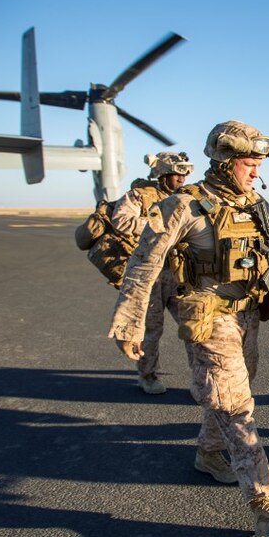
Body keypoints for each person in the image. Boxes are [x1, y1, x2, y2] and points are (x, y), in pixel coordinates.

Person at [109, 120, 269, 537]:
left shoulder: (255, 204)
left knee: (225, 394)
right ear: (224, 162)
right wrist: (129, 322)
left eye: (258, 163)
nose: (255, 170)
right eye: (248, 162)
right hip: (208, 318)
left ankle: (208, 452)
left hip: (249, 313)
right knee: (236, 403)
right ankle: (262, 502)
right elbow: (144, 265)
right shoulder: (185, 205)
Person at [109, 151, 194, 395]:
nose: (182, 178)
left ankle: (202, 376)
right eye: (177, 174)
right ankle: (147, 374)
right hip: (150, 276)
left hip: (180, 275)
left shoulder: (186, 198)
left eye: (184, 174)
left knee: (194, 326)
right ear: (162, 174)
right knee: (150, 331)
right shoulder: (140, 196)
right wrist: (158, 226)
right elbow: (122, 221)